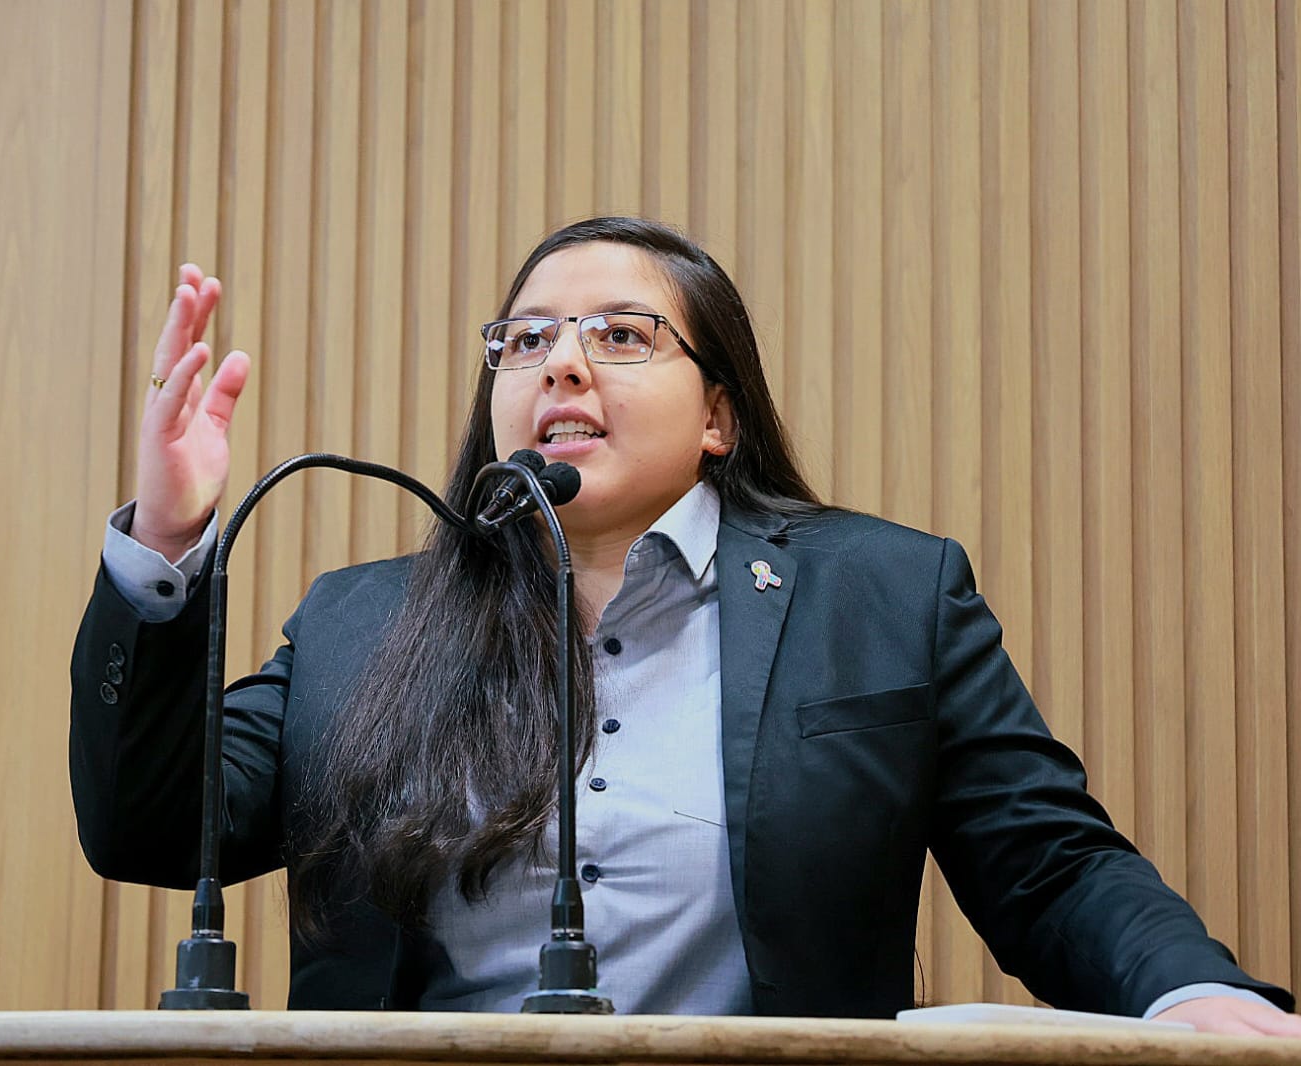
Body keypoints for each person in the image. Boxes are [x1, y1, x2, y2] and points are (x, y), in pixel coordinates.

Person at [71, 217, 1299, 1034]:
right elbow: (147, 826)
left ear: (718, 412)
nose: (561, 364)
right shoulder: (362, 621)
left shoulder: (883, 599)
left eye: (620, 335)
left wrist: (1184, 992)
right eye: (527, 340)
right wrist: (166, 544)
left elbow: (1051, 865)